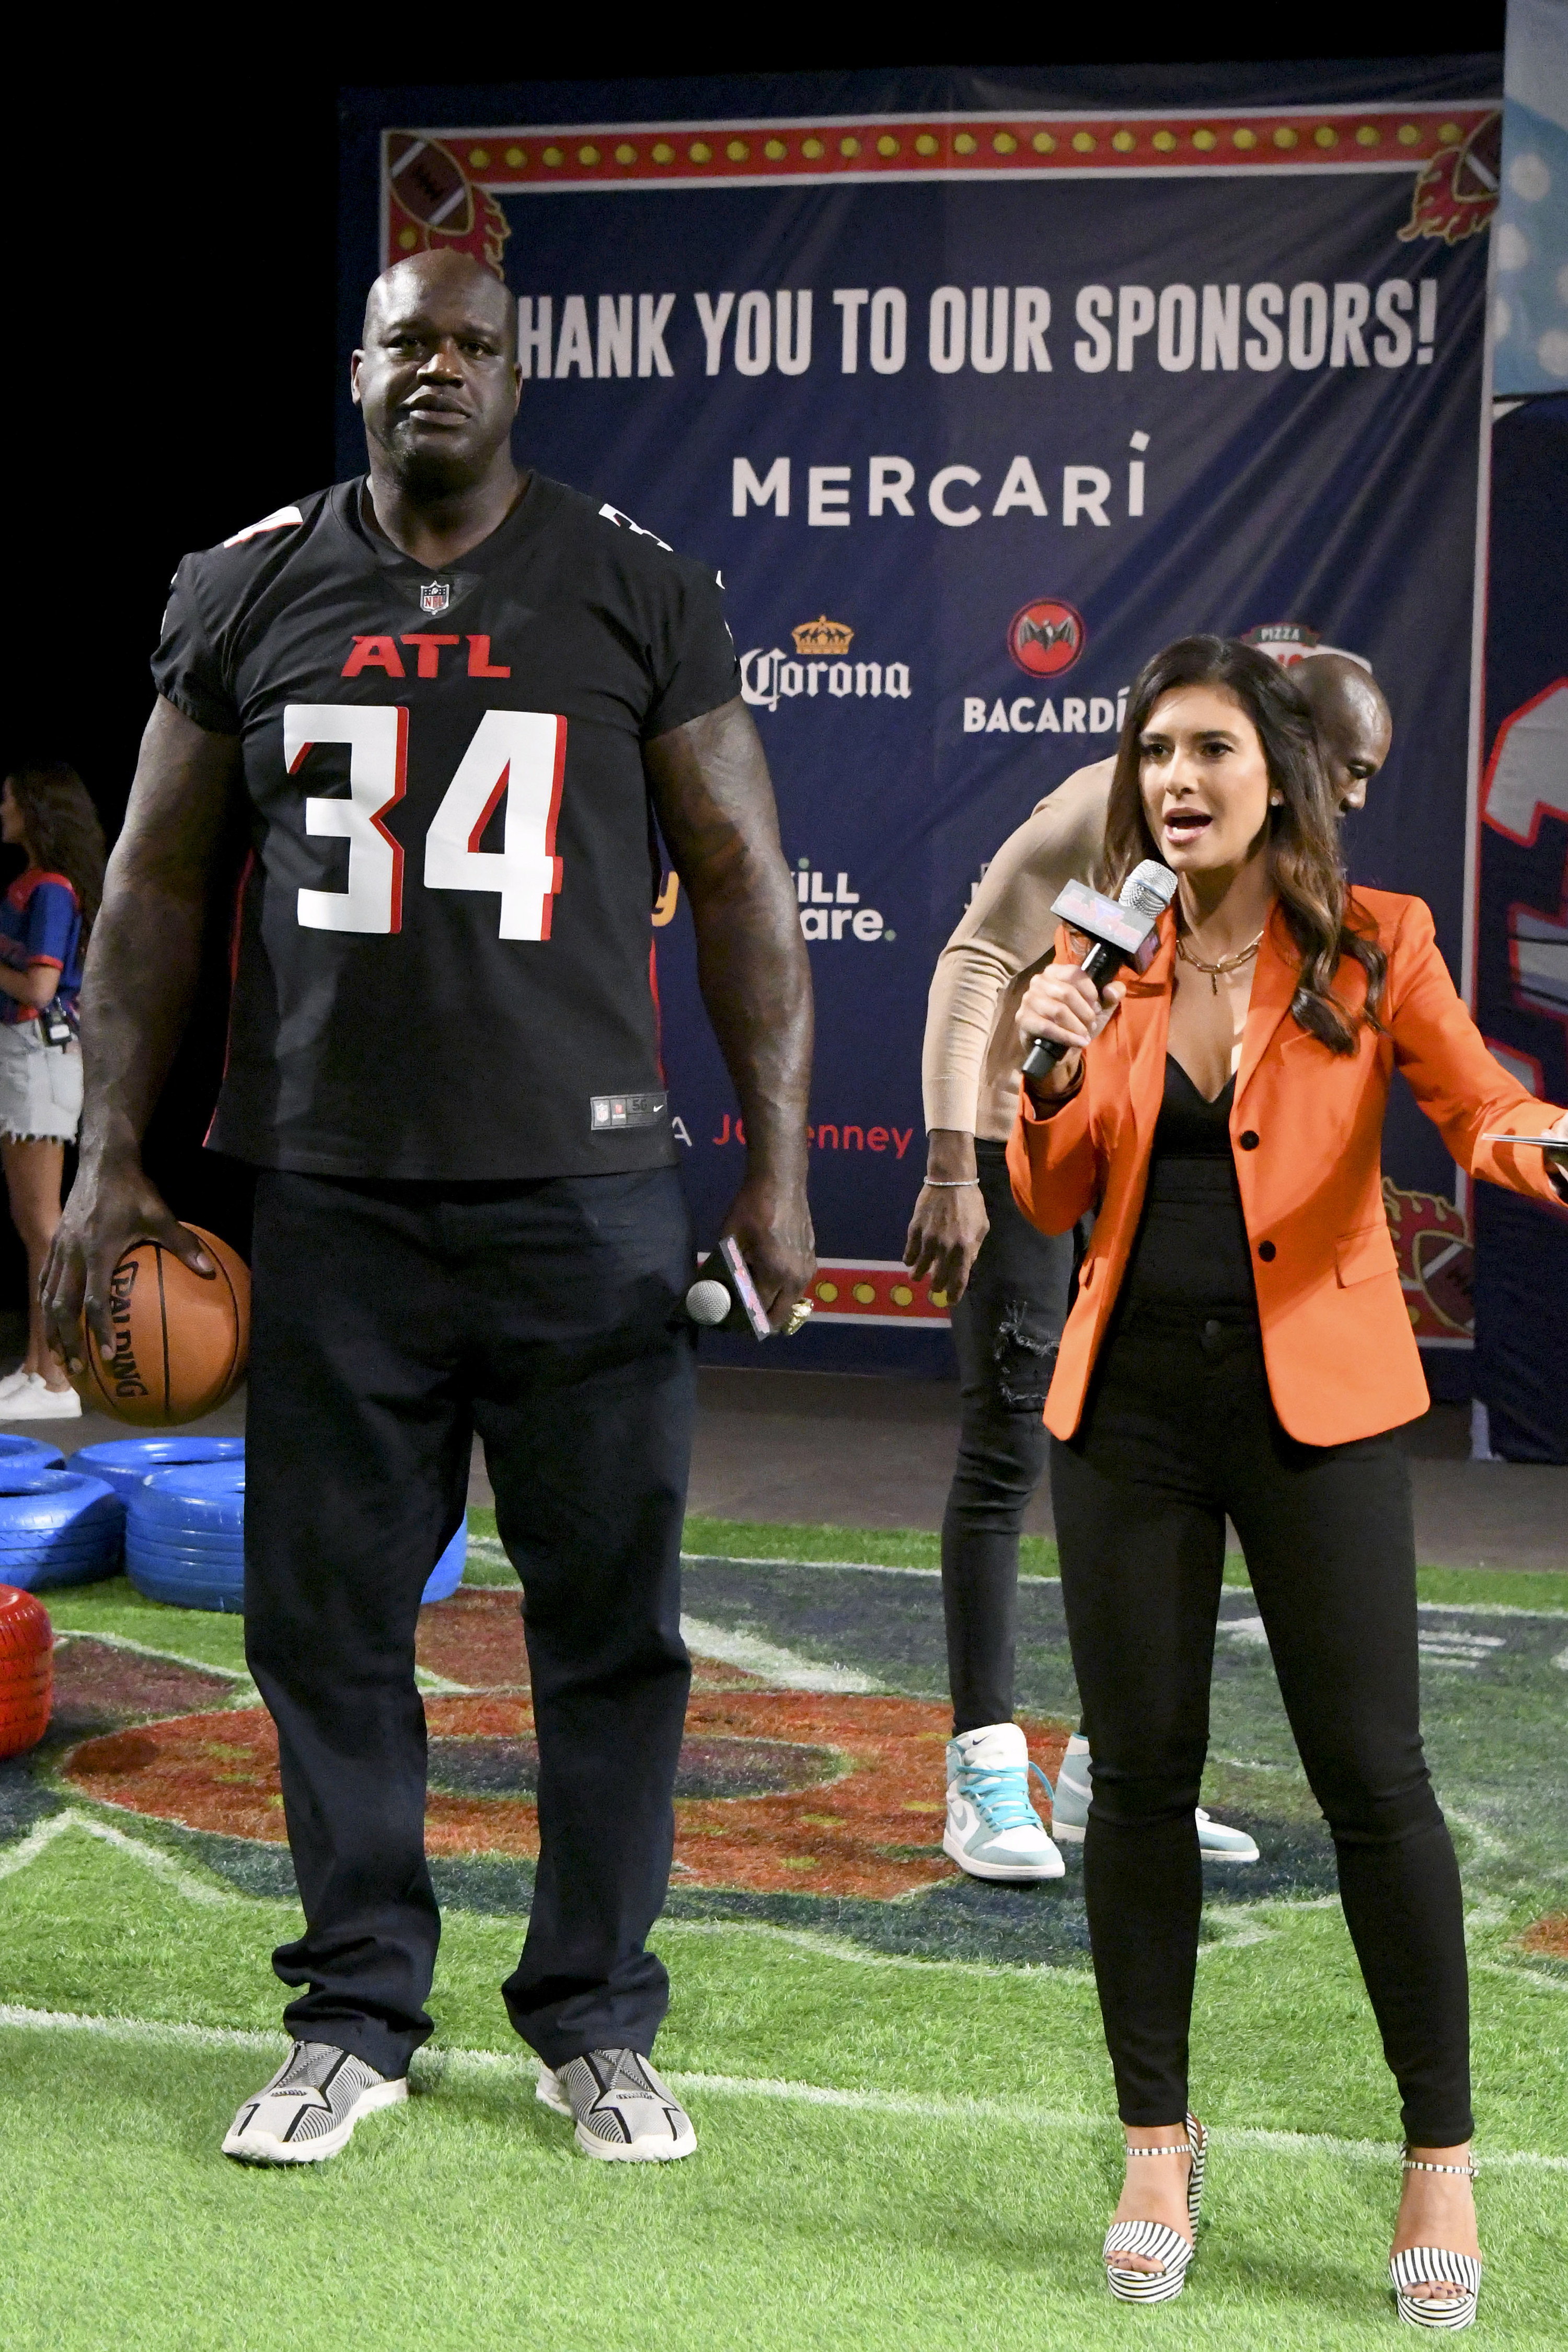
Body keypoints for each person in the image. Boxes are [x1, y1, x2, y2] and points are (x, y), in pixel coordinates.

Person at [43, 249, 813, 2169]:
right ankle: (354, 2011)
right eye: (408, 342)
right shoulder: (244, 585)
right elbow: (145, 887)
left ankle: (592, 2016)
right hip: (334, 1201)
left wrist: (779, 1163)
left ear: (517, 376)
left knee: (607, 1629)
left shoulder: (636, 583)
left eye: (472, 343)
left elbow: (738, 880)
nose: (438, 370)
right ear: (360, 368)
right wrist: (106, 1150)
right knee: (323, 1624)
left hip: (587, 1191)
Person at [1010, 634, 1566, 2319]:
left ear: (1278, 775)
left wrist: (1547, 1146)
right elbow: (1047, 1197)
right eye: (1152, 755)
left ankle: (1438, 2160)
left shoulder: (1375, 941)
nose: (1173, 782)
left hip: (1315, 1411)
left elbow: (1478, 1108)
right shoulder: (1095, 948)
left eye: (1207, 753)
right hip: (1126, 1424)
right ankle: (1155, 2143)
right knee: (1137, 1781)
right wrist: (1037, 1067)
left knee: (1372, 1782)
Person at [905, 657, 1390, 1881]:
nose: (1350, 797)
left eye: (1360, 777)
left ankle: (1109, 1764)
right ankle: (981, 1763)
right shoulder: (1116, 799)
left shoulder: (1283, 853)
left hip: (1130, 1133)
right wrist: (951, 1161)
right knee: (1009, 1425)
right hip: (1014, 1112)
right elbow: (976, 961)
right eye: (1340, 768)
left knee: (1170, 1429)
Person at [0, 763, 105, 1420]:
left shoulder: (52, 891)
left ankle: (58, 1379)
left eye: (9, 798)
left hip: (41, 1056)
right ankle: (37, 1369)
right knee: (32, 1221)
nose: (1, 807)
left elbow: (39, 990)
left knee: (43, 1222)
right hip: (30, 1058)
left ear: (36, 809)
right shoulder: (35, 886)